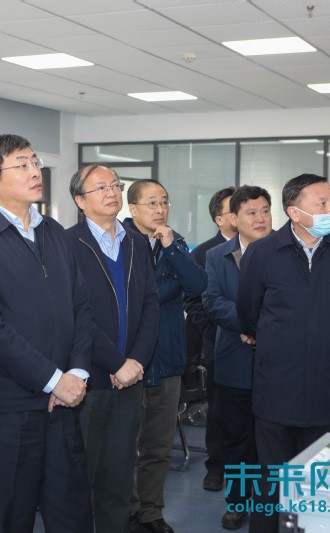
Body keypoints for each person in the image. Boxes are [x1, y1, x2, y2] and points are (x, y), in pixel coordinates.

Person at [0, 134, 94, 533]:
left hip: (66, 402)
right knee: (12, 516)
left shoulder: (56, 233)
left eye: (35, 163)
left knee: (73, 514)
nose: (34, 172)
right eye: (22, 164)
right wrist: (51, 379)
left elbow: (82, 308)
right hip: (11, 408)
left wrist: (76, 374)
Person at [237, 174, 330, 533]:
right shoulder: (263, 252)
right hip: (277, 383)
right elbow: (248, 310)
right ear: (294, 212)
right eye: (321, 203)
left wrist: (326, 340)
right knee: (272, 481)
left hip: (329, 383)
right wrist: (282, 340)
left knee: (319, 483)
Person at [67, 164, 160, 533]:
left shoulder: (136, 241)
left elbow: (151, 304)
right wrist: (116, 363)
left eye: (115, 185)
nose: (111, 192)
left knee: (119, 477)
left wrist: (135, 361)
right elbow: (74, 315)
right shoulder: (67, 244)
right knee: (79, 478)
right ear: (80, 200)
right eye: (100, 187)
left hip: (129, 380)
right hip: (88, 381)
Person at [124, 180, 208, 533]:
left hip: (168, 359)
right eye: (152, 203)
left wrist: (172, 249)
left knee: (158, 447)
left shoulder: (176, 243)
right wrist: (169, 286)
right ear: (133, 208)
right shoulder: (119, 241)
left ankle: (151, 512)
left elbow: (198, 284)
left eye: (164, 202)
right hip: (127, 363)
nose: (160, 210)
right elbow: (138, 296)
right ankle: (128, 510)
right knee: (124, 448)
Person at [202, 185, 273, 531]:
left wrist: (260, 327)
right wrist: (247, 324)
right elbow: (212, 301)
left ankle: (269, 504)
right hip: (234, 358)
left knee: (273, 439)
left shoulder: (285, 251)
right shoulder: (217, 256)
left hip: (277, 362)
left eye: (265, 211)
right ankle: (238, 501)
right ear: (233, 219)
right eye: (251, 212)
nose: (260, 219)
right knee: (236, 439)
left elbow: (291, 302)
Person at [182, 187, 236, 492]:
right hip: (219, 345)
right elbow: (193, 302)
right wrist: (216, 333)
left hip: (260, 347)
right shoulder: (204, 253)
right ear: (219, 218)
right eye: (234, 209)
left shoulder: (262, 247)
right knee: (218, 411)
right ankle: (216, 466)